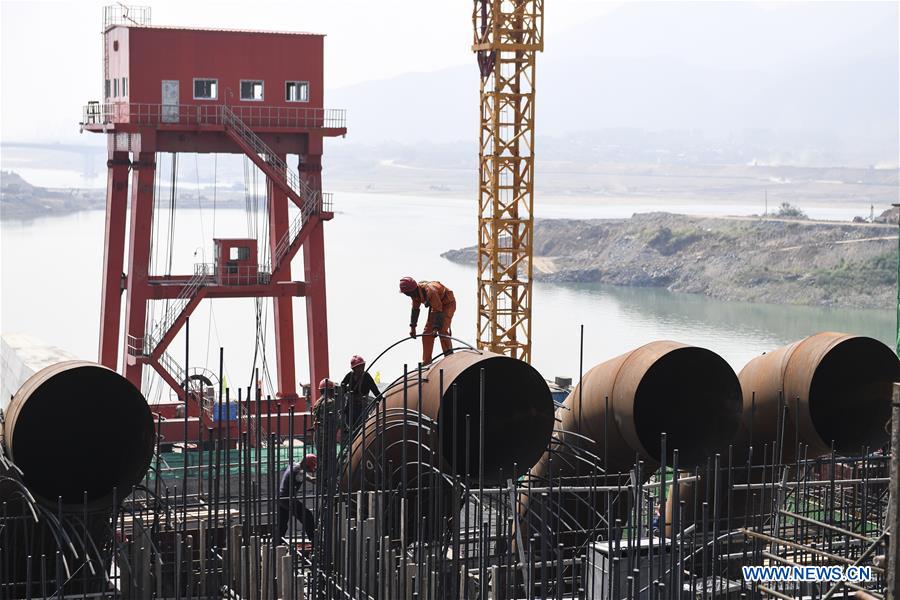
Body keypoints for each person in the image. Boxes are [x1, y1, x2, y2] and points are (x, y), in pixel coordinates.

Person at [398, 277, 457, 364]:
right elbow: (415, 310)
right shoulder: (415, 294)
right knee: (426, 334)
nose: (408, 295)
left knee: (442, 331)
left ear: (411, 290)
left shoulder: (430, 291)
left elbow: (438, 309)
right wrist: (413, 328)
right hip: (436, 307)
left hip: (447, 304)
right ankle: (426, 362)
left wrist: (436, 328)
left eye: (407, 293)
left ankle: (449, 357)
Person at [276, 454, 317, 542]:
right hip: (288, 499)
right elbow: (311, 479)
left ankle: (277, 543)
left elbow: (306, 475)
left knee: (282, 524)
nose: (309, 470)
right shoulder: (299, 472)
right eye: (309, 468)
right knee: (307, 516)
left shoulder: (293, 465)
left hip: (280, 498)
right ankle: (314, 540)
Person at [340, 355, 381, 435]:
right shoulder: (350, 376)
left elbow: (375, 391)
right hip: (350, 407)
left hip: (361, 407)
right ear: (354, 369)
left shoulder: (366, 377)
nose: (361, 369)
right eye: (358, 367)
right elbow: (342, 386)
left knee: (361, 428)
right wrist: (347, 389)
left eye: (362, 366)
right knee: (349, 428)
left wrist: (382, 400)